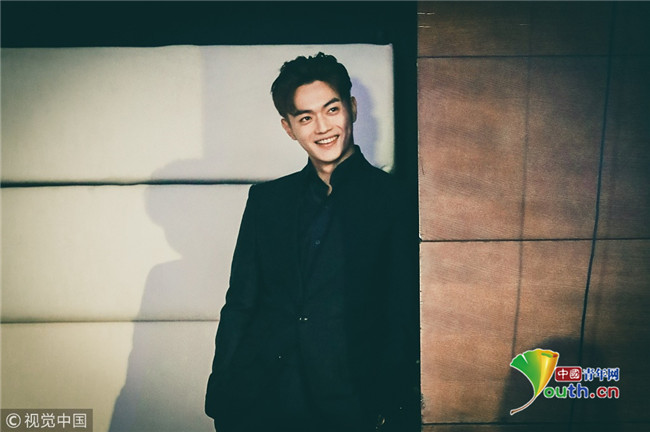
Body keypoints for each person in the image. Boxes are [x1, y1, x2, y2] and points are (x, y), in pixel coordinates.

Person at [205, 52, 418, 432]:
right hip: (261, 400)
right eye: (305, 118)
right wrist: (222, 391)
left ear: (352, 109)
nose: (322, 127)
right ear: (288, 128)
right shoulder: (267, 201)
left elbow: (401, 314)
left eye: (332, 110)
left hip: (353, 403)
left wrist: (389, 403)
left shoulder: (396, 201)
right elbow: (240, 303)